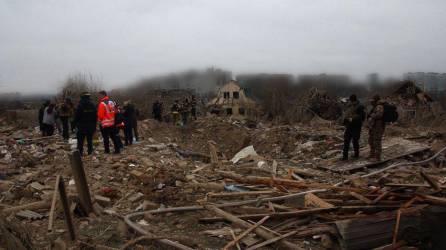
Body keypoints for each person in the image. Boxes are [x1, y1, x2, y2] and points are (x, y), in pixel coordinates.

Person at [342, 94, 366, 160]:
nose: (351, 102)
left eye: (351, 100)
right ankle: (345, 156)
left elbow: (362, 117)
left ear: (353, 100)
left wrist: (353, 119)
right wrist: (345, 121)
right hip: (349, 126)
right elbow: (346, 115)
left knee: (355, 141)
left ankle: (356, 154)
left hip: (356, 126)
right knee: (346, 140)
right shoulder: (350, 106)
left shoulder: (360, 107)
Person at [367, 95, 386, 161]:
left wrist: (371, 115)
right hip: (373, 126)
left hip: (378, 126)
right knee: (371, 141)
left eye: (372, 100)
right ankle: (372, 154)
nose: (371, 102)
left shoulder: (379, 106)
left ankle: (377, 157)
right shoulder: (374, 107)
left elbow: (379, 115)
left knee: (377, 141)